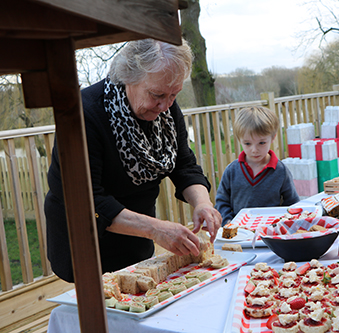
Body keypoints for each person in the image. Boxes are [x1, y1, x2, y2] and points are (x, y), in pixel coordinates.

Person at [44, 39, 221, 283]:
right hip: (86, 244)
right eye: (157, 95)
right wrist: (156, 228)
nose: (165, 105)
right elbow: (89, 201)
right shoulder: (83, 113)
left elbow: (184, 164)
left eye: (174, 94)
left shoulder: (166, 107)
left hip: (137, 238)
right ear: (128, 76)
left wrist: (203, 203)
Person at [215, 106, 300, 226]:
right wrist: (228, 221)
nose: (254, 150)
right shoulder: (231, 171)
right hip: (239, 232)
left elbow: (292, 204)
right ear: (239, 140)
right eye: (247, 143)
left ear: (273, 138)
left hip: (271, 232)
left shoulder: (281, 171)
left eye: (261, 143)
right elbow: (222, 201)